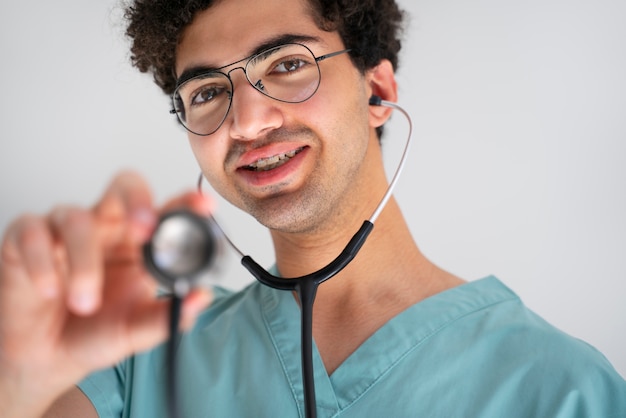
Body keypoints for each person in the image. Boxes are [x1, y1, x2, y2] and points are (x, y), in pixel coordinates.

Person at [1, 0, 625, 417]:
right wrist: (19, 382)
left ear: (377, 91)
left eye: (290, 64)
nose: (247, 121)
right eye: (209, 91)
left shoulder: (563, 388)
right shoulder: (134, 354)